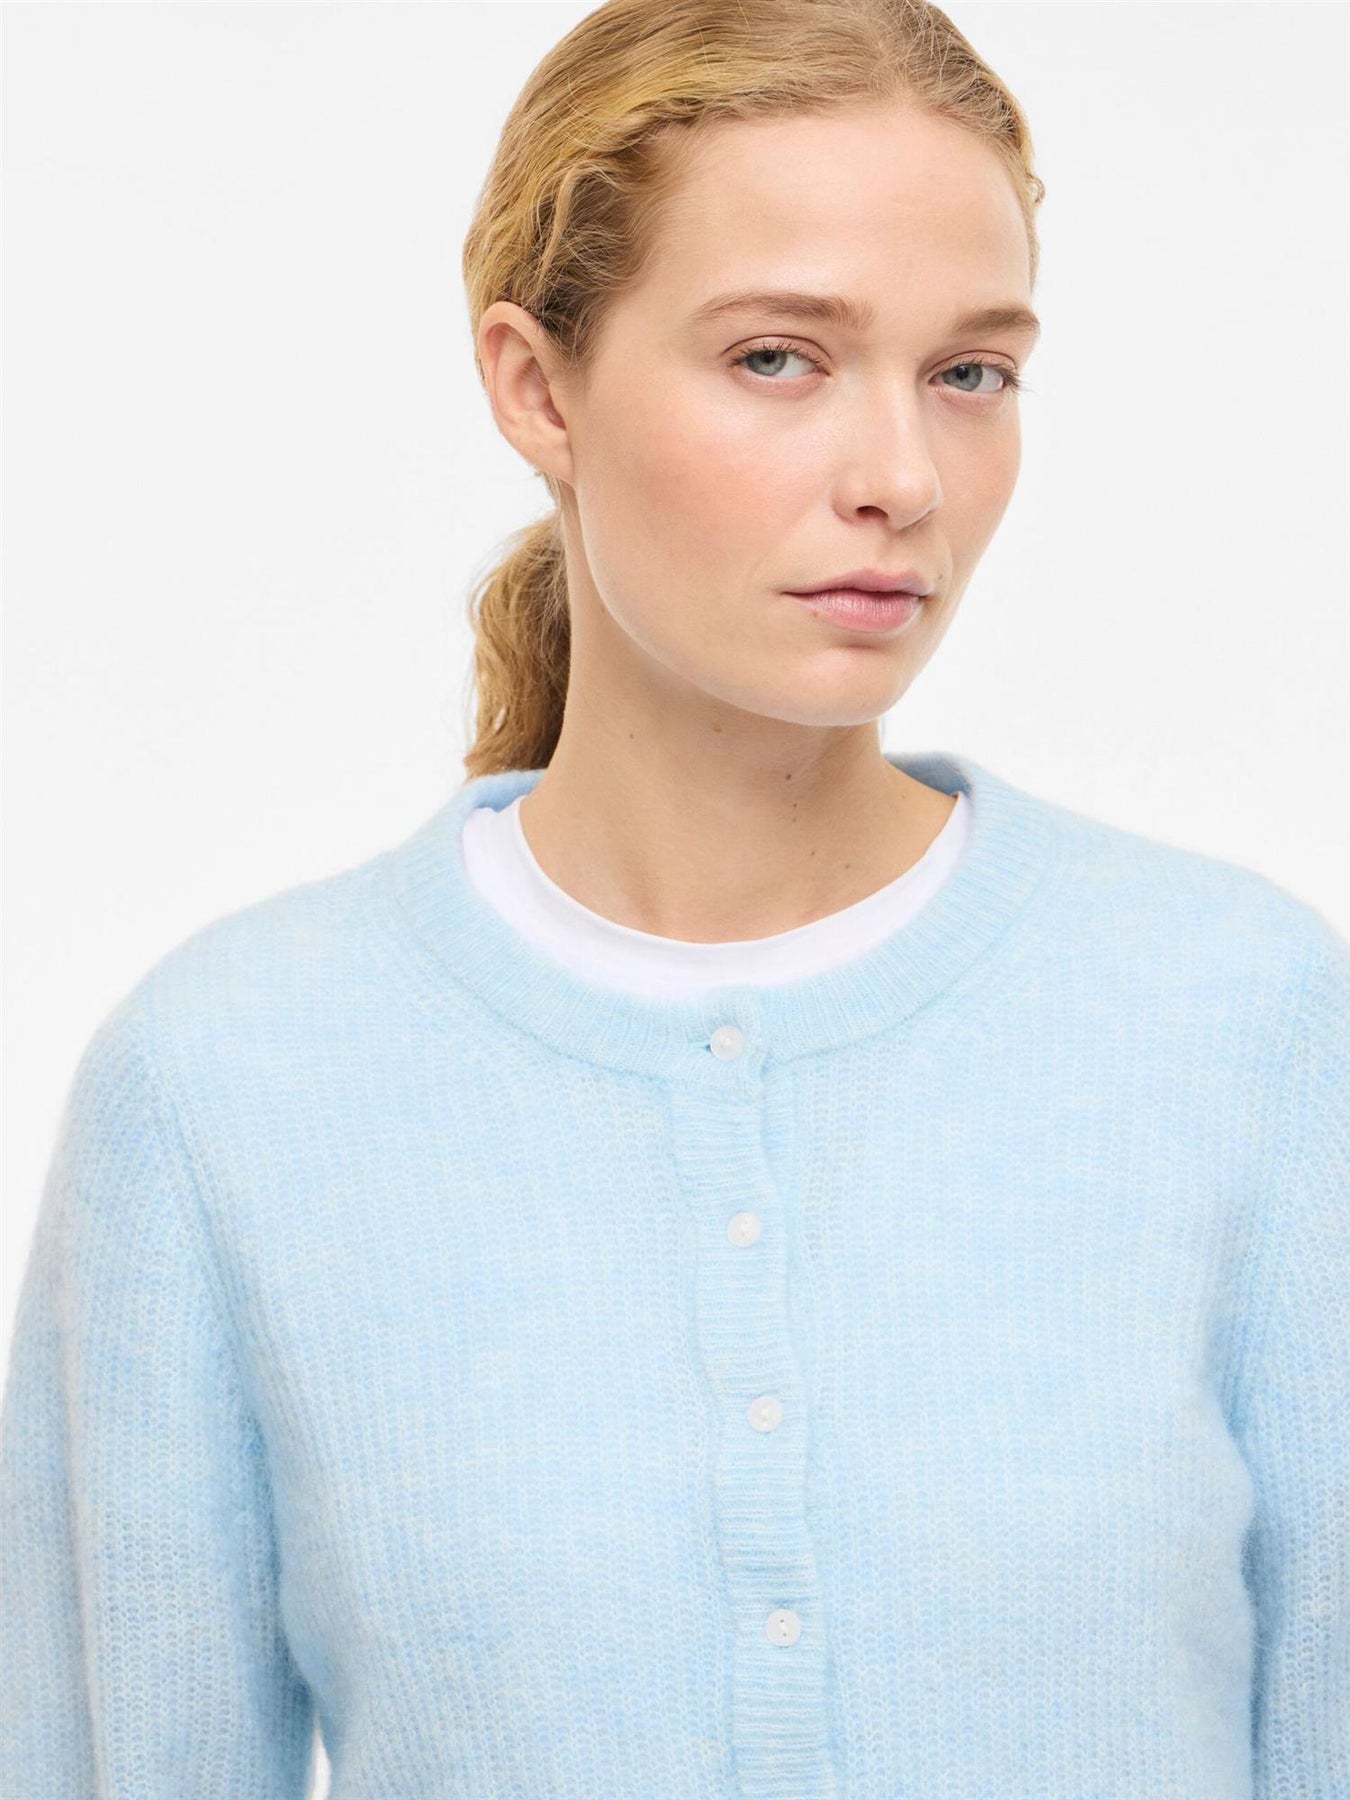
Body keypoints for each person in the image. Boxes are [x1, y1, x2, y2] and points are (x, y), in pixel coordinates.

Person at [2, 0, 1346, 1794]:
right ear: (534, 385)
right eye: (778, 357)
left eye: (970, 372)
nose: (900, 479)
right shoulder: (226, 1086)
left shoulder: (1241, 1022)